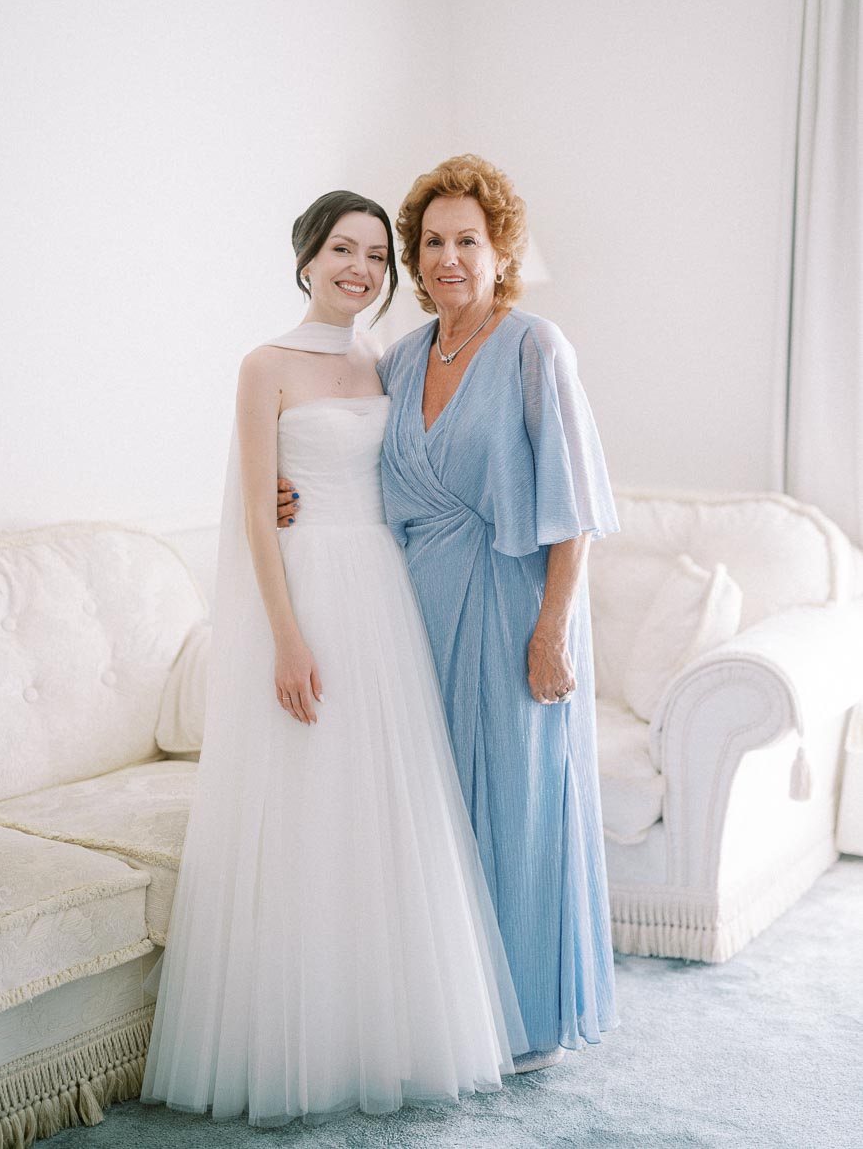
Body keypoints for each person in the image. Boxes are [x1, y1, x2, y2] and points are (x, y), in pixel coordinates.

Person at [140, 190, 527, 1131]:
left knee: (379, 808)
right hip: (306, 593)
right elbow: (253, 511)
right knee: (304, 800)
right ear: (307, 260)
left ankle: (379, 1033)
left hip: (381, 593)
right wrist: (285, 637)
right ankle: (297, 1042)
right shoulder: (264, 364)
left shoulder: (383, 361)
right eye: (343, 250)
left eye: (376, 256)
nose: (361, 268)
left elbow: (409, 470)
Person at [279, 156, 620, 1070]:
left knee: (518, 806)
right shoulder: (397, 360)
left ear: (501, 251)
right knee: (439, 814)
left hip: (515, 611)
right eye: (432, 242)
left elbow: (576, 508)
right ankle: (452, 1020)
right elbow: (350, 463)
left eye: (468, 239)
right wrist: (286, 489)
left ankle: (527, 1023)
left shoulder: (536, 346)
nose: (448, 258)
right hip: (415, 609)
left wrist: (552, 632)